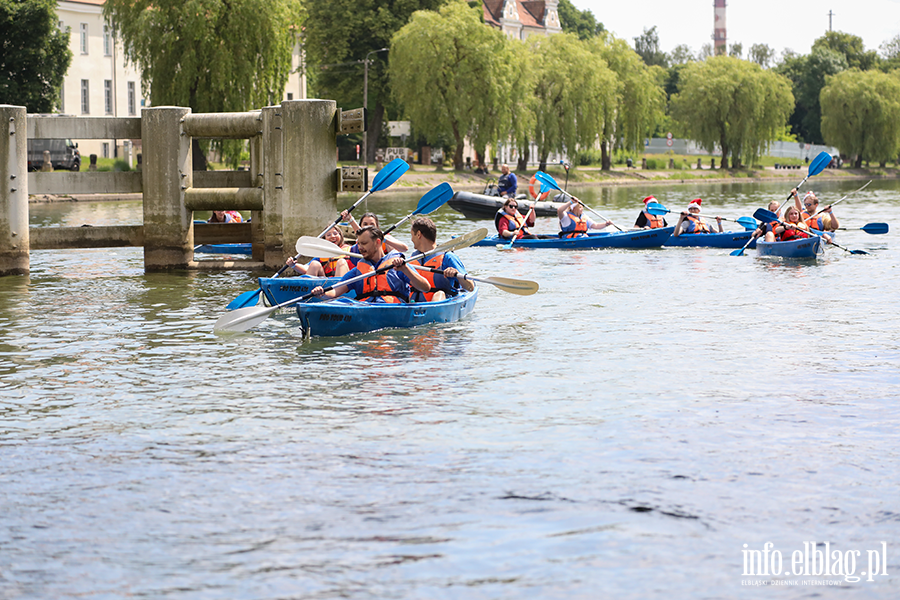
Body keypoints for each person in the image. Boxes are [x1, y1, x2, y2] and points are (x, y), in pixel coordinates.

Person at [310, 226, 430, 303]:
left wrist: (405, 270)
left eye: (364, 243)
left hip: (391, 312)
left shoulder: (398, 264)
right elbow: (335, 292)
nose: (360, 248)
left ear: (378, 242)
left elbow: (425, 287)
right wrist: (322, 293)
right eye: (359, 244)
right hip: (366, 309)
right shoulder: (358, 271)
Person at [407, 216, 475, 302]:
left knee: (439, 294)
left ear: (418, 234)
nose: (411, 239)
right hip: (414, 306)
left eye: (412, 235)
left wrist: (456, 273)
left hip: (440, 305)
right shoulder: (411, 259)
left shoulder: (447, 257)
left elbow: (470, 287)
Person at [340, 210, 409, 269]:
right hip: (365, 268)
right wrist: (350, 219)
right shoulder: (361, 237)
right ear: (361, 226)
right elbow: (361, 232)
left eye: (372, 224)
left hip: (384, 266)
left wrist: (384, 239)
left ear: (377, 227)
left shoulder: (385, 237)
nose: (369, 227)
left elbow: (404, 248)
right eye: (365, 224)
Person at [285, 225, 350, 278]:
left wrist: (350, 220)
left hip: (343, 286)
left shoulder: (350, 250)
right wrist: (293, 265)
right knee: (314, 264)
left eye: (335, 233)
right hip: (326, 286)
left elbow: (360, 239)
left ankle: (339, 291)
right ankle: (308, 291)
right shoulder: (322, 255)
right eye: (328, 235)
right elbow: (306, 268)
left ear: (340, 236)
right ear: (325, 240)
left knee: (341, 262)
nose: (332, 236)